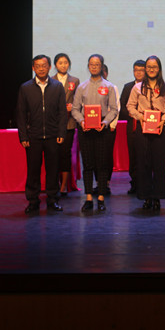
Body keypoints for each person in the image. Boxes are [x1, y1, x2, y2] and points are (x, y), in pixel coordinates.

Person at [16, 55, 67, 214]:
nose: (41, 69)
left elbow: (62, 112)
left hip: (53, 135)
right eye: (38, 66)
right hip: (33, 136)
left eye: (44, 65)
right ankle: (33, 201)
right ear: (33, 68)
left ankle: (52, 200)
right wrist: (23, 136)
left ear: (49, 67)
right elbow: (21, 114)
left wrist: (61, 132)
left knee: (53, 169)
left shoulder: (57, 86)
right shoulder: (26, 88)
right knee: (33, 170)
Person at [71, 54, 119, 212]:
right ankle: (89, 198)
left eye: (97, 64)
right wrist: (81, 121)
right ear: (88, 66)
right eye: (91, 64)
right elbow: (75, 109)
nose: (94, 67)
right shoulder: (81, 87)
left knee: (102, 164)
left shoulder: (109, 86)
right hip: (85, 129)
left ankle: (101, 198)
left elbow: (114, 109)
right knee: (88, 165)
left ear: (102, 66)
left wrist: (105, 123)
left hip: (102, 129)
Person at [127, 56, 165, 211]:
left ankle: (158, 197)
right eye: (148, 67)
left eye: (154, 67)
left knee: (159, 164)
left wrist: (164, 120)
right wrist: (139, 117)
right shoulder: (137, 87)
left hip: (160, 127)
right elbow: (130, 106)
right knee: (144, 163)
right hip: (143, 127)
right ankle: (146, 197)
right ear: (145, 69)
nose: (151, 69)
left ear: (159, 69)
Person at [53, 54, 80, 196]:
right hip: (53, 124)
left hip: (69, 123)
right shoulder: (50, 80)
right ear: (55, 65)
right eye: (60, 62)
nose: (63, 65)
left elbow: (78, 100)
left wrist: (73, 106)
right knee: (54, 154)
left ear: (69, 64)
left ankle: (63, 186)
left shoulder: (74, 80)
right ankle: (54, 183)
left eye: (65, 62)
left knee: (65, 154)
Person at [120, 60, 146, 194]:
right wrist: (132, 113)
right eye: (136, 70)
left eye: (141, 70)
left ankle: (145, 182)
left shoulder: (150, 86)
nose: (139, 73)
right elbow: (122, 107)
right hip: (132, 127)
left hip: (147, 126)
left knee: (145, 155)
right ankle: (134, 182)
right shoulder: (128, 87)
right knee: (133, 155)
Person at [100, 64, 120, 196]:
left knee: (107, 155)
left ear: (106, 73)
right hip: (94, 126)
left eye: (103, 72)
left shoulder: (112, 87)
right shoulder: (88, 87)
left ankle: (106, 182)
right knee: (96, 156)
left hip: (109, 126)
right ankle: (98, 182)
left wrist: (112, 124)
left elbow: (117, 107)